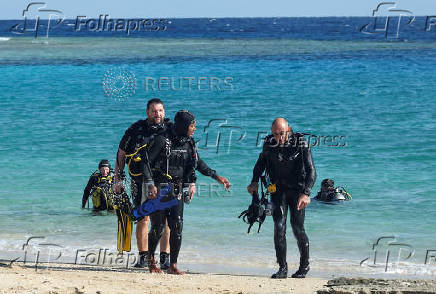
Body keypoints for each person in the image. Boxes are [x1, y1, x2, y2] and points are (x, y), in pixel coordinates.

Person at [143, 110, 231, 274]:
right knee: (158, 227)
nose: (194, 129)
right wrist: (149, 184)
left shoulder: (189, 143)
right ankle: (150, 261)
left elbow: (198, 163)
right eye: (192, 125)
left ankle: (173, 265)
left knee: (177, 226)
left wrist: (216, 176)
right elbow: (146, 163)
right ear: (183, 125)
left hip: (176, 189)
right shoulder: (162, 140)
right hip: (159, 188)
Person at [247, 118, 316, 279]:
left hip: (298, 191)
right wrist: (254, 181)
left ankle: (304, 266)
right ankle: (282, 268)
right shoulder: (269, 144)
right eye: (275, 134)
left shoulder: (301, 144)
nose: (279, 137)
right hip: (278, 191)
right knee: (279, 227)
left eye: (282, 133)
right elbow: (260, 164)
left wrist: (306, 193)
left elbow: (311, 171)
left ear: (289, 130)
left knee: (297, 228)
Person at [114, 98, 171, 269]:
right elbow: (121, 153)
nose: (157, 114)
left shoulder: (170, 129)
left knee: (166, 220)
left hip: (164, 180)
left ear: (164, 112)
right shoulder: (136, 129)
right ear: (147, 112)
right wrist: (117, 178)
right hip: (139, 180)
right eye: (154, 111)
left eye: (160, 110)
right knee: (143, 218)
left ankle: (165, 258)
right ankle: (143, 257)